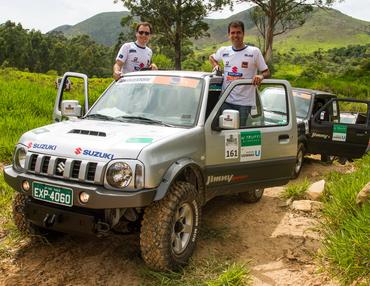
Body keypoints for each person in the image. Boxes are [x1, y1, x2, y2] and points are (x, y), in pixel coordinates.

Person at [209, 21, 270, 126]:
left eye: (238, 32)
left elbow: (266, 72)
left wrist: (260, 76)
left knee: (238, 135)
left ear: (243, 34)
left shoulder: (254, 52)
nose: (235, 35)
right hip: (225, 100)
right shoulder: (224, 51)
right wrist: (215, 65)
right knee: (220, 131)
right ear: (229, 35)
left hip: (244, 104)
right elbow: (211, 57)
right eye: (232, 33)